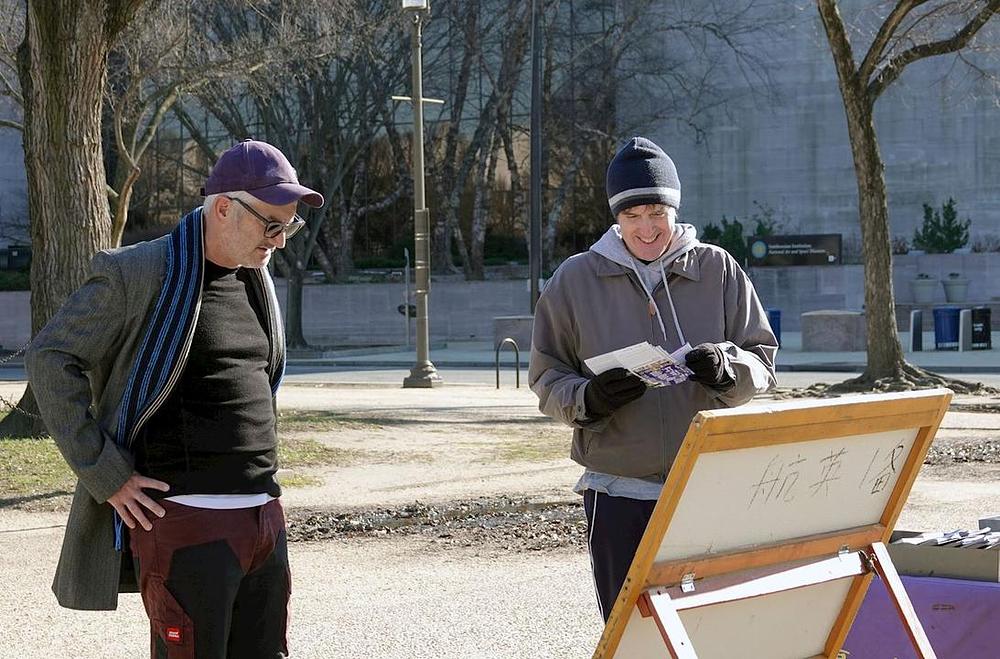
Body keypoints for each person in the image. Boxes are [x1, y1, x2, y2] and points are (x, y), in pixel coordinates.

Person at [26, 139, 324, 658]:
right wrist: (105, 472)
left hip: (263, 522)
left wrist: (267, 513)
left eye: (288, 226)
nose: (279, 240)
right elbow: (51, 357)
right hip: (185, 523)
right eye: (271, 224)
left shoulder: (258, 278)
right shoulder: (137, 273)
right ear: (225, 208)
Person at [529, 136, 777, 623]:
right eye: (632, 215)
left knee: (711, 626)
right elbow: (546, 377)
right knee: (630, 631)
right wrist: (588, 399)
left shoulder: (717, 268)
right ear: (616, 219)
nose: (646, 229)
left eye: (656, 213)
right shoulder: (574, 280)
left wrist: (729, 369)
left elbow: (762, 361)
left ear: (674, 209)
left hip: (706, 485)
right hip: (618, 492)